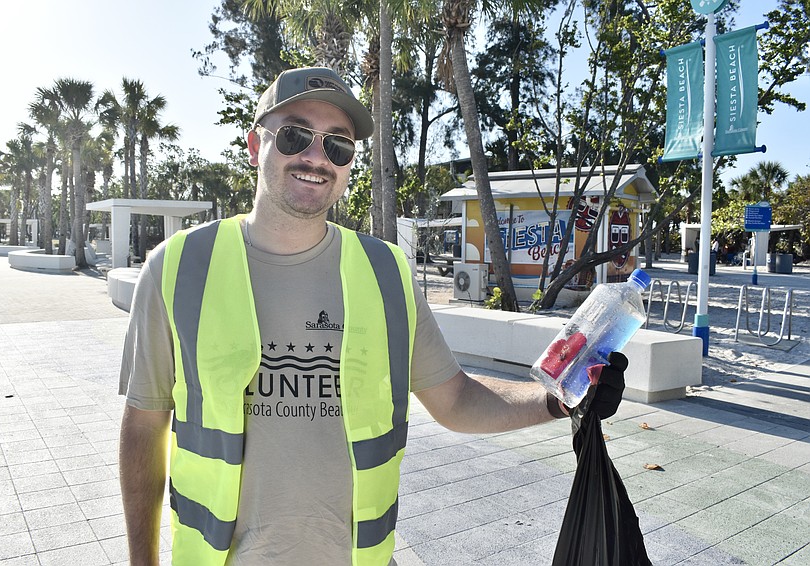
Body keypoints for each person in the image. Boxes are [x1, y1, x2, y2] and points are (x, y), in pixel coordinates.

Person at [118, 66, 627, 566]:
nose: (317, 158)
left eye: (338, 145)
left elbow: (456, 400)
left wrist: (559, 399)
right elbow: (143, 427)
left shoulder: (386, 272)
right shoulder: (179, 268)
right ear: (255, 146)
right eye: (296, 135)